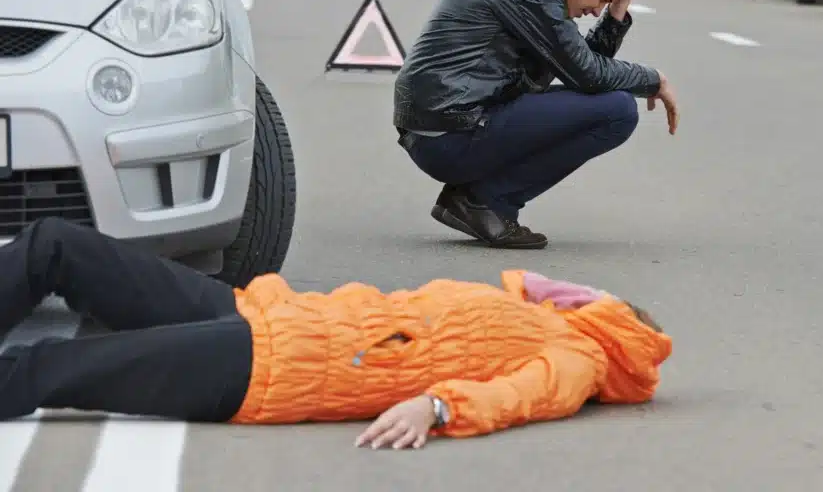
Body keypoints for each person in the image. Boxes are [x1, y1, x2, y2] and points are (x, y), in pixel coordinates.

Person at [0, 218, 673, 449]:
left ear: (619, 321)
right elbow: (521, 281)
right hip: (264, 312)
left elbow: (523, 397)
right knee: (54, 246)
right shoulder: (544, 314)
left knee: (48, 367)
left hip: (269, 368)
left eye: (607, 300)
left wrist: (436, 407)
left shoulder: (579, 356)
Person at [393, 0, 680, 250]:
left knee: (612, 105)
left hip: (450, 125)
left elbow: (584, 74)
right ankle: (484, 202)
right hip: (448, 133)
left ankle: (480, 200)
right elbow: (588, 75)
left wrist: (620, 5)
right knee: (618, 110)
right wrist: (654, 79)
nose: (597, 11)